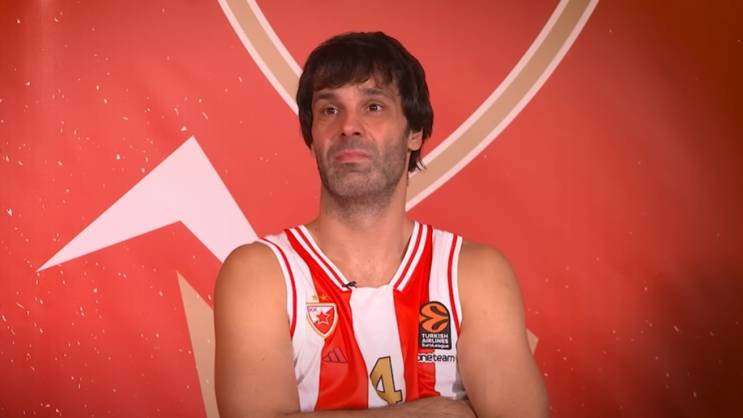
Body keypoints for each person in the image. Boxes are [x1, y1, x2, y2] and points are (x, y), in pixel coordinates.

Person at [214, 32, 549, 418]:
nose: (348, 126)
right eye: (329, 110)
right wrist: (438, 413)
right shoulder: (259, 273)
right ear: (311, 138)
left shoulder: (473, 274)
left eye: (373, 106)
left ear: (414, 133)